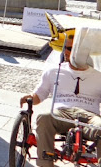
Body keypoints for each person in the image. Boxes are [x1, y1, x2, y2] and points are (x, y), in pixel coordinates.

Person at [19, 35, 101, 167]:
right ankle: (45, 163)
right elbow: (39, 95)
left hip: (89, 116)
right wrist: (30, 97)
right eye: (67, 48)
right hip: (61, 113)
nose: (69, 52)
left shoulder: (99, 75)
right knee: (44, 118)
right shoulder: (53, 71)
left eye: (74, 49)